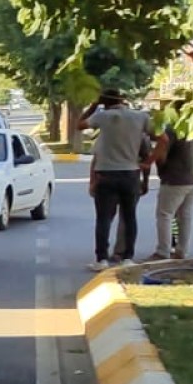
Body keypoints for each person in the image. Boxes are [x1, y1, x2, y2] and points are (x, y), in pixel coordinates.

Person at [84, 89, 154, 270]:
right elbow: (161, 138)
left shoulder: (102, 117)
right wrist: (148, 164)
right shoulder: (141, 117)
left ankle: (101, 259)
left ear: (103, 102)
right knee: (130, 217)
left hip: (106, 174)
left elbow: (79, 125)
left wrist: (93, 106)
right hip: (131, 174)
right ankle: (127, 257)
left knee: (104, 219)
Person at [149, 121, 193, 261]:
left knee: (165, 214)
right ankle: (182, 251)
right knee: (185, 216)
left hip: (174, 178)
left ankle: (163, 251)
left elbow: (163, 151)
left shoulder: (173, 128)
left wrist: (154, 163)